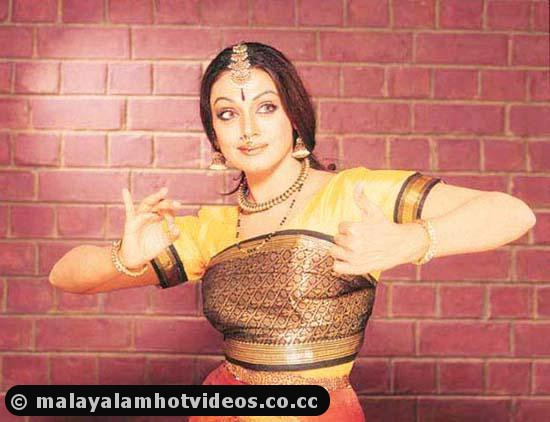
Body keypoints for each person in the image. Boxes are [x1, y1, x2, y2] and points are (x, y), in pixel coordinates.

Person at [49, 42, 537, 421]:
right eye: (227, 114)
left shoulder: (353, 194)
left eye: (266, 107)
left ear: (294, 116)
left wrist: (412, 240)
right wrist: (125, 257)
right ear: (214, 135)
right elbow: (64, 277)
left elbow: (513, 213)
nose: (248, 129)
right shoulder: (214, 229)